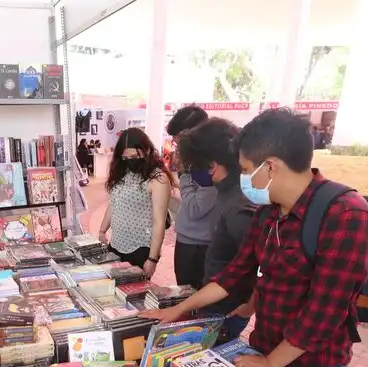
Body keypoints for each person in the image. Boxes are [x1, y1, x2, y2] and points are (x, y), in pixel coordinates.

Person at [142, 108, 368, 367]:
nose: (243, 178)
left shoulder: (346, 215)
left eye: (244, 169)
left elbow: (324, 312)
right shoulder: (269, 212)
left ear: (269, 167)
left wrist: (270, 363)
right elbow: (234, 273)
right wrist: (178, 310)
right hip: (263, 350)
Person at [174, 117, 258, 341]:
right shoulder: (225, 191)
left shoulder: (239, 206)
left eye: (196, 166)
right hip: (213, 300)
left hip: (226, 310)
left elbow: (261, 268)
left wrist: (250, 305)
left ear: (212, 164)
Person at [97, 127, 173, 277]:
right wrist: (102, 230)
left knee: (135, 294)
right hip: (116, 243)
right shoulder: (122, 173)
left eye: (134, 156)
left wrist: (153, 258)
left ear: (147, 151)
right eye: (125, 158)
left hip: (141, 247)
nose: (130, 162)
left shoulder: (158, 179)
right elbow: (114, 203)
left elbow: (159, 221)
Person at [166, 105, 216, 290]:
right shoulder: (195, 162)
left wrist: (183, 174)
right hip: (187, 241)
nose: (176, 144)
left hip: (200, 247)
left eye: (178, 138)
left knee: (197, 304)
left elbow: (195, 208)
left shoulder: (210, 165)